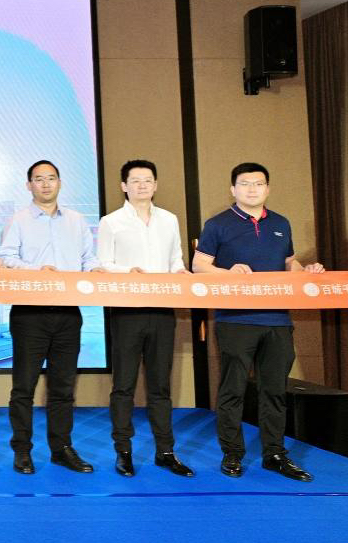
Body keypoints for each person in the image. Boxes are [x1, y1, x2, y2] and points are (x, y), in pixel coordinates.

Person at [193, 162, 324, 482]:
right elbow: (199, 265)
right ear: (233, 189)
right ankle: (232, 454)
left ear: (268, 188)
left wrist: (306, 271)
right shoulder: (217, 224)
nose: (252, 189)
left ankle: (275, 454)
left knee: (274, 390)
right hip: (235, 320)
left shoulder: (281, 223)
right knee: (233, 390)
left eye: (258, 183)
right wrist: (228, 273)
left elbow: (289, 263)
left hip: (277, 320)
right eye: (245, 183)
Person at [0, 160, 102, 474]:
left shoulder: (76, 220)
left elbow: (87, 259)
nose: (45, 184)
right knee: (24, 387)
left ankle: (61, 448)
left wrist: (96, 271)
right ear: (28, 185)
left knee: (63, 387)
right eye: (39, 179)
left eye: (51, 178)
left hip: (68, 312)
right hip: (30, 312)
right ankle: (22, 450)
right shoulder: (19, 219)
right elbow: (6, 258)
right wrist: (36, 271)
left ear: (60, 182)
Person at [98, 160, 195, 478]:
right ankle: (123, 452)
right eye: (135, 180)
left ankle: (166, 452)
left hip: (163, 310)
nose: (142, 185)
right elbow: (102, 264)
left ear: (155, 185)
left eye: (148, 180)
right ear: (123, 186)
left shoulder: (169, 219)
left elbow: (176, 259)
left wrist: (180, 271)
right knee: (123, 385)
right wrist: (128, 272)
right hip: (127, 310)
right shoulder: (111, 222)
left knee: (160, 386)